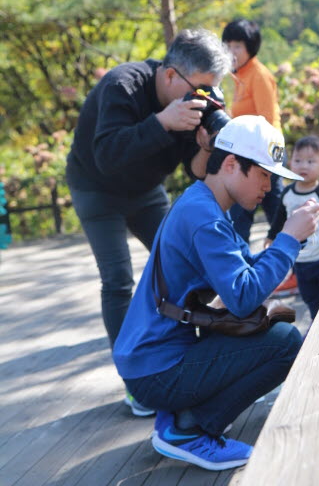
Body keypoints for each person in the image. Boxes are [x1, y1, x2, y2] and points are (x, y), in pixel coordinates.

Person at [113, 115, 319, 471]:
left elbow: (247, 265)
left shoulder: (202, 202)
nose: (268, 188)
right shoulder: (205, 217)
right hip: (156, 368)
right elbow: (242, 295)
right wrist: (287, 239)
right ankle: (188, 430)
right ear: (230, 164)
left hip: (152, 358)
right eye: (264, 174)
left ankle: (182, 416)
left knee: (278, 330)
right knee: (284, 342)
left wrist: (289, 239)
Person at [66, 28, 232, 414]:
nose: (203, 99)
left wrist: (206, 148)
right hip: (96, 188)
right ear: (171, 74)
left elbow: (194, 171)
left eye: (211, 91)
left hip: (145, 192)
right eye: (200, 89)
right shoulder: (122, 84)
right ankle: (134, 380)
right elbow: (107, 154)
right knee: (118, 280)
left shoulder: (191, 104)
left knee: (188, 260)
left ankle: (198, 359)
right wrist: (162, 122)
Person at [266, 135, 319, 321]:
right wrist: (271, 237)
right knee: (310, 299)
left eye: (311, 161)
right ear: (290, 163)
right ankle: (316, 326)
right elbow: (279, 219)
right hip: (301, 262)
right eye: (297, 160)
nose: (303, 166)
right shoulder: (287, 194)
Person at [222, 19, 283, 242]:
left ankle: (302, 270)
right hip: (247, 153)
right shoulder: (239, 75)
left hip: (265, 153)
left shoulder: (259, 74)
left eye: (237, 46)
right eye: (227, 46)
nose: (231, 52)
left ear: (250, 46)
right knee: (241, 219)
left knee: (278, 216)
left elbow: (267, 120)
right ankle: (240, 268)